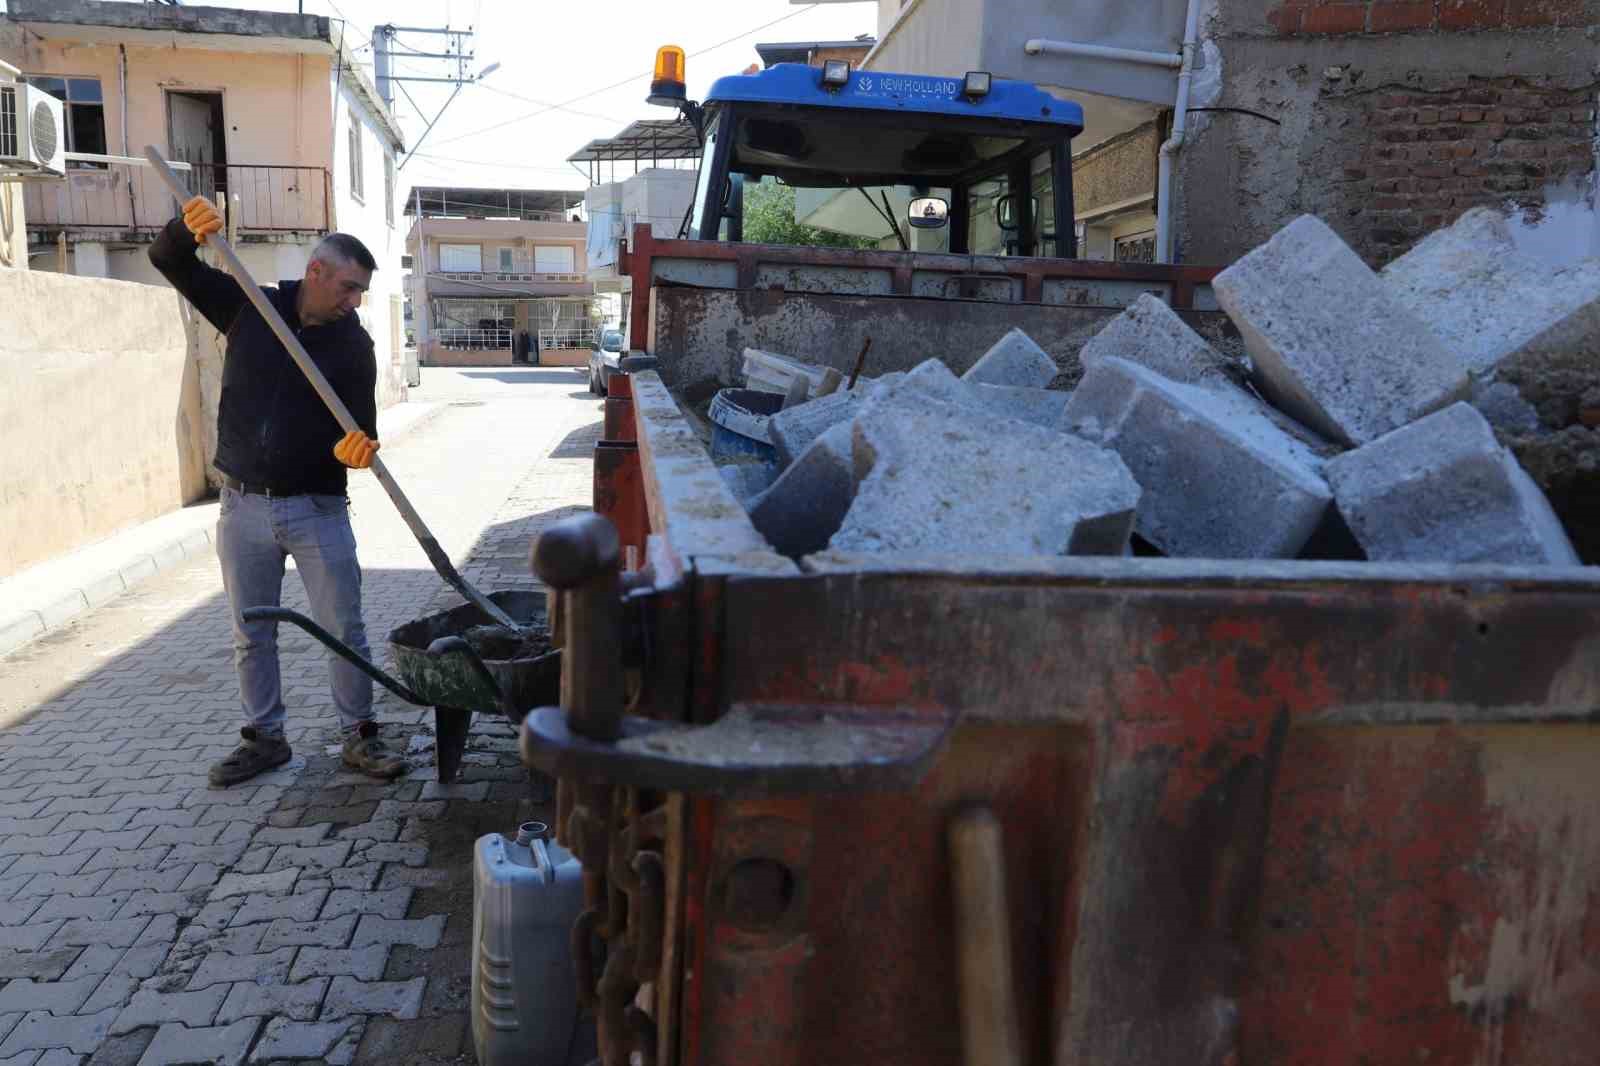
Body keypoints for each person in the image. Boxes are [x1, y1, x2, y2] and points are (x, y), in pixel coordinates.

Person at [150, 195, 406, 786]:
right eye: (348, 287)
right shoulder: (249, 306)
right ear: (316, 272)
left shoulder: (353, 346)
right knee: (251, 630)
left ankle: (359, 734)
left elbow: (359, 427)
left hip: (318, 508)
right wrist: (185, 231)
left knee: (344, 628)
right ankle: (265, 739)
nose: (355, 301)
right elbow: (169, 260)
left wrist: (356, 448)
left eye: (361, 291)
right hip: (242, 505)